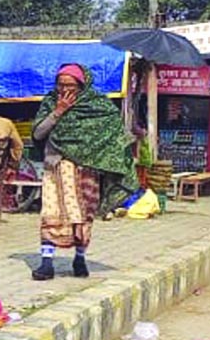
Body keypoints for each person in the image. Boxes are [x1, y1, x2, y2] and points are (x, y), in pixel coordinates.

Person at [30, 64, 138, 281]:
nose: (64, 90)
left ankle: (80, 259)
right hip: (56, 166)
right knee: (52, 213)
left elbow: (113, 135)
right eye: (60, 85)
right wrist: (58, 111)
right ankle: (47, 262)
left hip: (87, 170)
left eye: (70, 85)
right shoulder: (50, 102)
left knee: (83, 215)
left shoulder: (97, 107)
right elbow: (38, 133)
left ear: (82, 85)